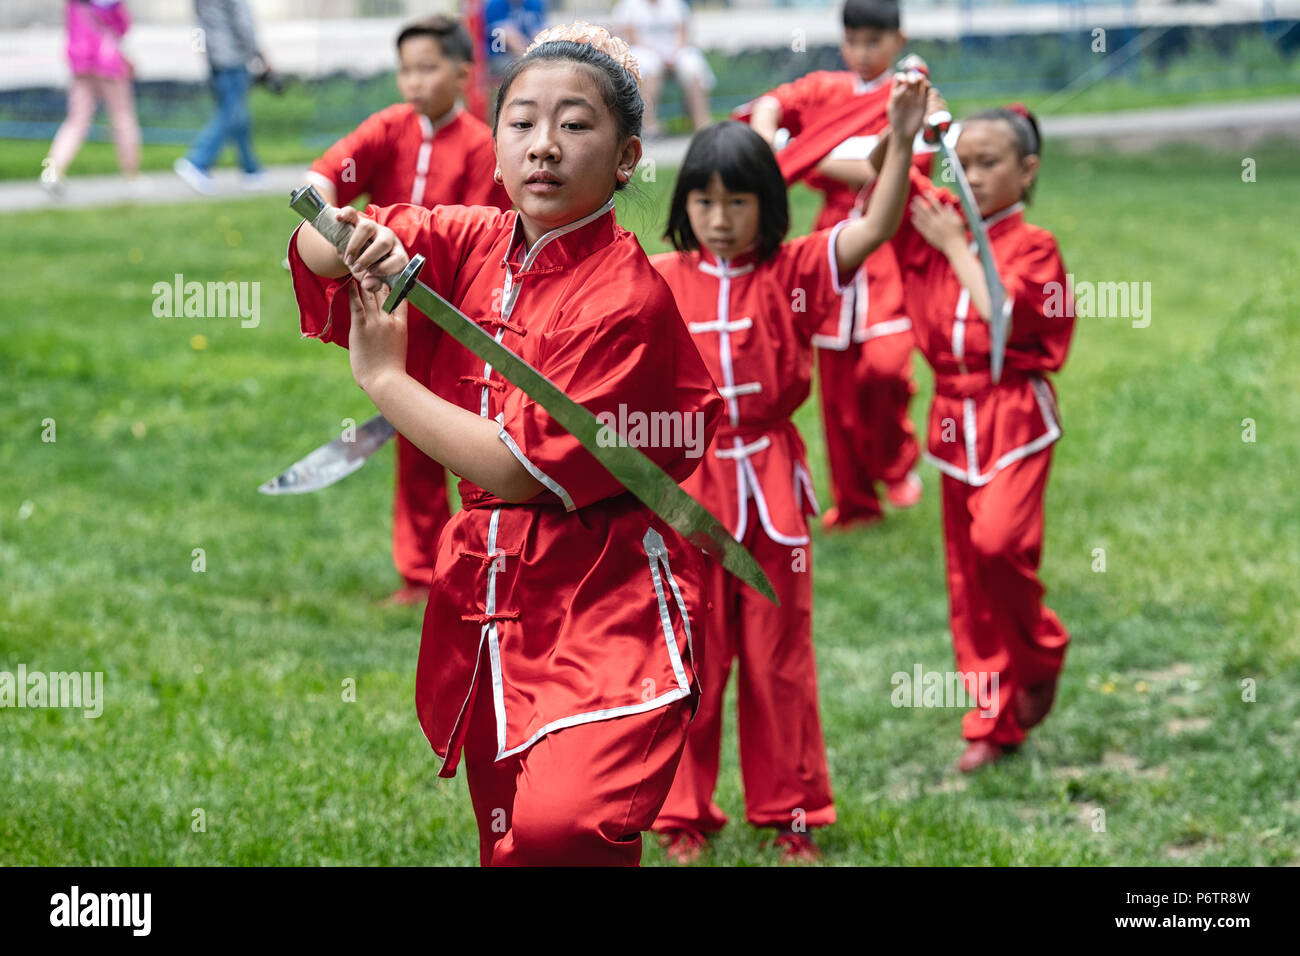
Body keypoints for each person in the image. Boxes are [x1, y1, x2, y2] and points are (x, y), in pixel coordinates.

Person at [288, 22, 725, 866]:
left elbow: (519, 472)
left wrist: (385, 383)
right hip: (490, 592)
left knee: (563, 828)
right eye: (522, 122)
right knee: (510, 836)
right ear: (495, 148)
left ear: (628, 157)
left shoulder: (626, 300)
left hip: (606, 598)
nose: (545, 146)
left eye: (576, 124)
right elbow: (316, 244)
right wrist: (351, 242)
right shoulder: (470, 239)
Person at [648, 73, 928, 863]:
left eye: (737, 202)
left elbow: (874, 224)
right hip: (689, 498)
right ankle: (680, 814)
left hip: (772, 486)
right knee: (692, 655)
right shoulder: (661, 280)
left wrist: (900, 141)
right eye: (703, 203)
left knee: (780, 658)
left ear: (767, 203)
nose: (720, 219)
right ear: (684, 208)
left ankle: (792, 812)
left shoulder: (798, 269)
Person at [877, 93, 1074, 772]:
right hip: (953, 418)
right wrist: (905, 130)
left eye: (988, 163)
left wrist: (958, 246)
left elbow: (1002, 313)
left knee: (999, 545)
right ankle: (991, 719)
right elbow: (882, 182)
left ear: (1027, 171)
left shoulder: (1034, 247)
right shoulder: (933, 224)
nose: (971, 176)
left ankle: (1039, 653)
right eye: (960, 162)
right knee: (965, 577)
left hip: (1012, 414)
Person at [304, 15, 512, 606]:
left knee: (472, 438)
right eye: (405, 69)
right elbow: (326, 175)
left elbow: (476, 240)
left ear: (463, 73)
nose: (414, 81)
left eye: (428, 67)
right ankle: (421, 573)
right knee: (414, 443)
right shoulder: (389, 128)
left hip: (455, 314)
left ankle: (482, 558)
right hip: (391, 315)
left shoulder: (481, 147)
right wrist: (322, 217)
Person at [748, 0, 926, 531]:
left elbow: (891, 167)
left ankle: (895, 461)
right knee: (838, 391)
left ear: (899, 40)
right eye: (853, 41)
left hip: (889, 245)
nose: (863, 53)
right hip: (831, 245)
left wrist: (798, 155)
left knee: (886, 366)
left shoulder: (910, 95)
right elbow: (770, 103)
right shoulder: (827, 90)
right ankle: (855, 501)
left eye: (875, 42)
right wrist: (765, 142)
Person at [41, 0, 141, 198]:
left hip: (80, 59)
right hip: (108, 60)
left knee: (76, 120)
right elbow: (123, 27)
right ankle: (132, 174)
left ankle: (52, 171)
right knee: (122, 116)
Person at [173, 0, 269, 194]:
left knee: (236, 113)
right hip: (233, 57)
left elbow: (198, 25)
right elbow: (243, 23)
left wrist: (201, 50)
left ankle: (251, 169)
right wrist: (259, 54)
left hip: (214, 56)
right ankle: (197, 161)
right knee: (230, 114)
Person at [611, 0, 714, 135]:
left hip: (675, 52)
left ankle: (702, 122)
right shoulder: (629, 5)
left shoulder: (675, 4)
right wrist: (658, 54)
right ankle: (649, 124)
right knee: (651, 67)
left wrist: (674, 53)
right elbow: (630, 37)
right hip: (644, 51)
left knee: (693, 66)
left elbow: (683, 32)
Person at [483, 0, 547, 80]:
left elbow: (540, 35)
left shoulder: (534, 3)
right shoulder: (495, 4)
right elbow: (511, 38)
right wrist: (533, 59)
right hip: (500, 56)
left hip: (527, 53)